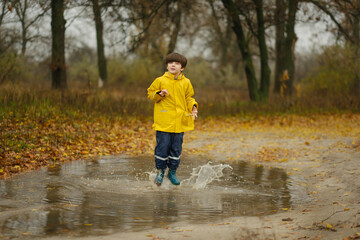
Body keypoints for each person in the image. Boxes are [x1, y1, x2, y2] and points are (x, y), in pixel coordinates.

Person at [147, 52, 198, 186]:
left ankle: (172, 172)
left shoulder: (186, 82)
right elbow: (150, 94)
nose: (173, 65)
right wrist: (159, 94)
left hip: (179, 122)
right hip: (164, 121)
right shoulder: (160, 80)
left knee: (176, 149)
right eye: (170, 63)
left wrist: (193, 106)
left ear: (182, 68)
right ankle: (160, 172)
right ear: (166, 65)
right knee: (162, 147)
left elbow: (189, 98)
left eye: (176, 63)